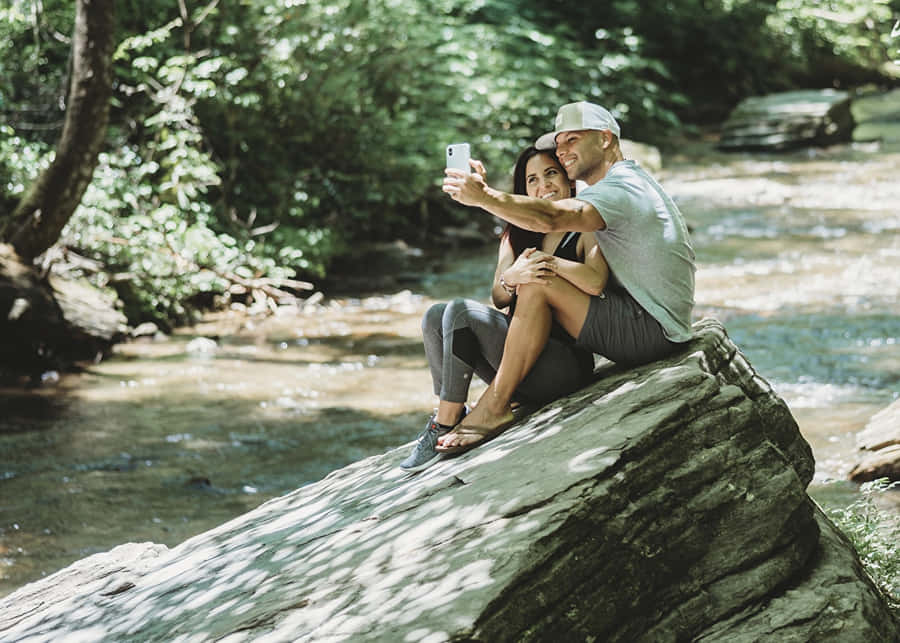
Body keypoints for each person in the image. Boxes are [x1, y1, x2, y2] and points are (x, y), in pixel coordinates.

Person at [437, 101, 695, 454]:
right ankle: (467, 410)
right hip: (647, 321)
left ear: (605, 139)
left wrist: (484, 197)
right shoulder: (613, 184)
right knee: (499, 293)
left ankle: (494, 407)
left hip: (652, 330)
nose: (562, 151)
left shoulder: (620, 189)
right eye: (559, 144)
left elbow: (552, 218)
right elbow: (506, 283)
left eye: (572, 140)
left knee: (538, 279)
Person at [399, 146, 609, 471]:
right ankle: (450, 413)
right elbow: (499, 297)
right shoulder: (516, 234)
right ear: (523, 191)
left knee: (461, 311)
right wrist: (512, 277)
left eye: (551, 173)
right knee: (435, 315)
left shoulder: (583, 223)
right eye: (532, 180)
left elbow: (596, 281)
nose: (544, 185)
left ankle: (446, 422)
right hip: (519, 364)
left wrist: (548, 264)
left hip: (564, 367)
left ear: (568, 180)